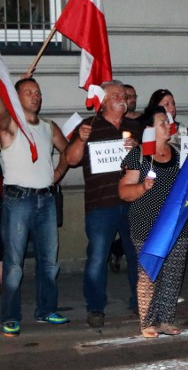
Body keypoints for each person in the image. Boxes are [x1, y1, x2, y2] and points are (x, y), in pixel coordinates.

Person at [65, 80, 142, 328]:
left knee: (137, 254)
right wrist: (79, 139)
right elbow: (71, 159)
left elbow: (150, 158)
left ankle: (139, 302)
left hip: (132, 200)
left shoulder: (134, 126)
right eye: (117, 94)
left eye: (125, 94)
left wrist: (138, 148)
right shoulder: (89, 126)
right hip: (101, 204)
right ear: (104, 100)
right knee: (97, 257)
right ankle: (95, 307)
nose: (124, 97)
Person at [1, 77, 70, 337]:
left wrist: (60, 170)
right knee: (14, 263)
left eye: (38, 92)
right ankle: (9, 316)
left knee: (49, 261)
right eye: (28, 92)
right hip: (17, 201)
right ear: (16, 98)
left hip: (46, 200)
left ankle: (46, 310)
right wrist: (5, 88)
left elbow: (68, 151)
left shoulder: (48, 127)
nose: (36, 96)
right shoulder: (9, 126)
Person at [118, 106, 188, 338]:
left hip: (176, 226)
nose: (168, 125)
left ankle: (166, 320)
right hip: (146, 224)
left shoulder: (179, 154)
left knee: (172, 274)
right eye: (161, 122)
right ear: (149, 128)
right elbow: (123, 192)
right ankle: (147, 322)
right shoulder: (138, 155)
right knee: (149, 273)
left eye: (168, 121)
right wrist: (142, 187)